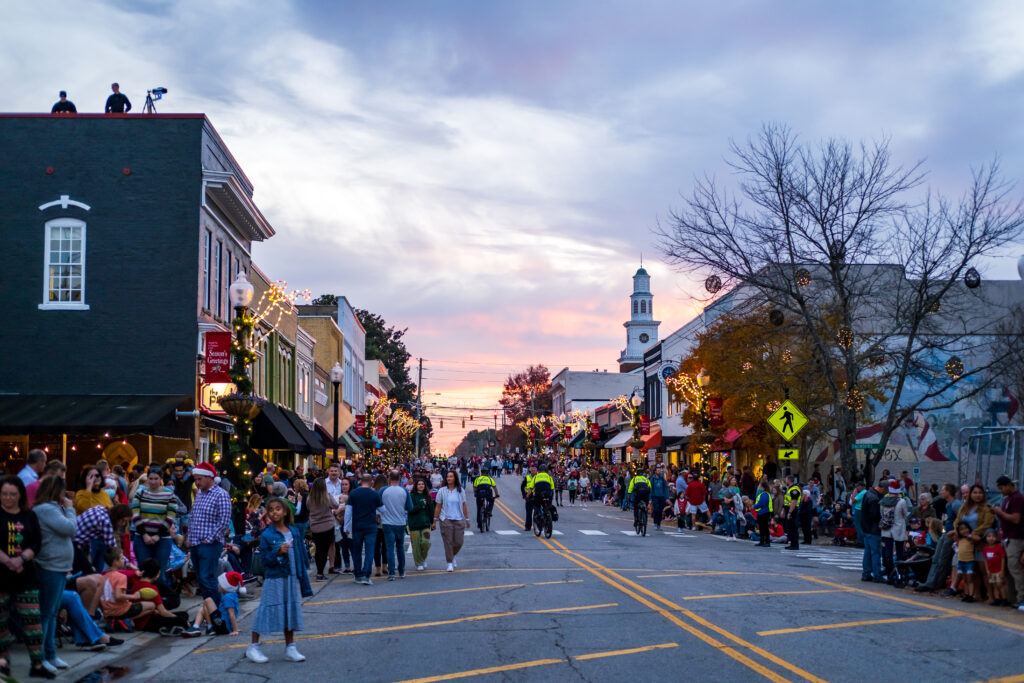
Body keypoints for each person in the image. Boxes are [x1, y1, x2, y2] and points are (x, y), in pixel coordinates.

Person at [246, 497, 311, 663]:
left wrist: (303, 575)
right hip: (275, 577)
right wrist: (277, 553)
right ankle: (254, 647)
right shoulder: (267, 535)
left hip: (290, 576)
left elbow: (301, 554)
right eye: (271, 509)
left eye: (278, 508)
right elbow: (265, 560)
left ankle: (290, 647)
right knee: (266, 609)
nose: (274, 512)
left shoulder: (294, 531)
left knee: (289, 610)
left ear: (285, 511)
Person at [32, 475, 77, 675]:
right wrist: (70, 508)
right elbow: (70, 528)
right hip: (50, 566)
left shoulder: (52, 509)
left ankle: (50, 654)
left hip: (58, 566)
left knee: (52, 613)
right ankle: (41, 657)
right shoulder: (46, 510)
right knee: (46, 613)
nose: (65, 494)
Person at [187, 463, 232, 609]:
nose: (197, 482)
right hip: (195, 542)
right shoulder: (200, 494)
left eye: (199, 479)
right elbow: (194, 516)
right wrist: (189, 537)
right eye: (196, 479)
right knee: (201, 579)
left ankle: (219, 611)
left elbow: (224, 521)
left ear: (209, 478)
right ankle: (209, 611)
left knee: (208, 578)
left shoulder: (221, 495)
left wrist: (210, 539)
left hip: (210, 544)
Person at [131, 465, 178, 583]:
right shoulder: (140, 493)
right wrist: (144, 535)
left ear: (161, 479)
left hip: (163, 539)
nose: (153, 481)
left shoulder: (169, 495)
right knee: (144, 572)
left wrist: (158, 535)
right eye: (150, 478)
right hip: (141, 538)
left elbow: (170, 516)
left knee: (159, 573)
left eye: (156, 478)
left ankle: (158, 599)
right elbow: (135, 515)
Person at [990, 475, 1024, 609]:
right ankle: (1011, 597)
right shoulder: (1008, 499)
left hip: (1016, 538)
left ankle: (1022, 597)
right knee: (1009, 569)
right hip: (1007, 537)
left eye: (1002, 487)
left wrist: (1000, 512)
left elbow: (1016, 519)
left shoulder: (1017, 498)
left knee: (1015, 569)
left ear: (1009, 485)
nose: (1001, 491)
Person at [183, 571, 245, 637]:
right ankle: (197, 627)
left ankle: (207, 627)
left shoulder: (228, 597)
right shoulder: (231, 595)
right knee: (203, 608)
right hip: (222, 625)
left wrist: (235, 630)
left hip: (223, 626)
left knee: (208, 600)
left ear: (225, 587)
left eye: (219, 583)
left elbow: (231, 614)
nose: (217, 585)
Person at [348, 474, 383, 585]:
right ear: (371, 482)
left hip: (357, 525)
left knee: (357, 550)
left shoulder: (353, 493)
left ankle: (357, 573)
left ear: (360, 481)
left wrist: (346, 526)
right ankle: (366, 575)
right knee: (369, 550)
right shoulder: (374, 494)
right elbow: (383, 509)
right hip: (371, 525)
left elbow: (348, 512)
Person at [433, 471, 469, 572]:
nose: (449, 478)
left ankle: (452, 556)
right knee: (448, 542)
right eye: (447, 477)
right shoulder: (442, 491)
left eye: (451, 477)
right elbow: (438, 506)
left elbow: (464, 505)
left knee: (459, 542)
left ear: (455, 478)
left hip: (458, 519)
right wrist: (435, 520)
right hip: (446, 519)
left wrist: (467, 519)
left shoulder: (460, 490)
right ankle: (449, 562)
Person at [306, 477, 339, 581]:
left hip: (315, 526)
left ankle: (319, 572)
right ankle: (320, 573)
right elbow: (336, 505)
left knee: (318, 550)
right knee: (325, 550)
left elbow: (308, 508)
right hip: (327, 526)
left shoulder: (310, 498)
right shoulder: (327, 497)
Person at [380, 471, 410, 580]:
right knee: (400, 547)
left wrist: (383, 512)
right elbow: (409, 507)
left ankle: (391, 573)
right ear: (400, 478)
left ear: (389, 478)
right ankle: (401, 571)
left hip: (387, 522)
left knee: (389, 548)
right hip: (400, 522)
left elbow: (378, 504)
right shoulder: (404, 491)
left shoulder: (383, 490)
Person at [879, 480, 910, 586]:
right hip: (898, 529)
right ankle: (899, 574)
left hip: (886, 529)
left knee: (888, 553)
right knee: (900, 552)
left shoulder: (883, 501)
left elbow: (881, 514)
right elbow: (905, 514)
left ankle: (889, 574)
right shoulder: (901, 501)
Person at [861, 479, 885, 582]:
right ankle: (877, 574)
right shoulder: (875, 499)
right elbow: (875, 515)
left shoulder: (868, 494)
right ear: (883, 488)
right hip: (873, 529)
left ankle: (866, 573)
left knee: (868, 552)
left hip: (866, 528)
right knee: (875, 553)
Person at [408, 478, 433, 571]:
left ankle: (422, 558)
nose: (421, 486)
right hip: (414, 524)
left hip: (425, 524)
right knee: (416, 545)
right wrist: (421, 505)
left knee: (426, 543)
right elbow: (410, 510)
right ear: (416, 486)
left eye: (422, 484)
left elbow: (431, 510)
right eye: (419, 484)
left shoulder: (428, 496)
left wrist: (433, 522)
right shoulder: (411, 496)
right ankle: (419, 563)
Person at [982, 529, 1008, 606]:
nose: (991, 538)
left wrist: (1002, 570)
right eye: (989, 536)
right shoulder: (985, 548)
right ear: (985, 538)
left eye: (993, 536)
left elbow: (1003, 558)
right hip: (991, 570)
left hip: (998, 570)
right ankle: (997, 599)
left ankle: (1004, 598)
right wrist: (987, 570)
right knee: (994, 585)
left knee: (999, 584)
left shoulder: (999, 547)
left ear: (996, 538)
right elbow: (985, 560)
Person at [955, 521, 977, 603]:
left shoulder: (970, 538)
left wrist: (970, 535)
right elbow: (949, 534)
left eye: (966, 528)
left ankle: (971, 595)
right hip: (961, 561)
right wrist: (956, 530)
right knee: (965, 579)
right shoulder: (959, 539)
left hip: (969, 561)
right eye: (961, 529)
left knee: (970, 579)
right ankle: (966, 594)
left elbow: (977, 539)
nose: (964, 530)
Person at [782, 475, 802, 550]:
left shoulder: (794, 489)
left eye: (786, 479)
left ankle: (795, 545)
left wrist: (790, 512)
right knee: (789, 528)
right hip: (789, 509)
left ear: (789, 480)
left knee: (793, 528)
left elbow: (794, 501)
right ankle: (792, 544)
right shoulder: (789, 488)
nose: (785, 481)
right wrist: (784, 510)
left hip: (793, 510)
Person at [754, 480, 773, 546]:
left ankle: (767, 541)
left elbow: (761, 503)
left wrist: (754, 506)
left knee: (764, 527)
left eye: (759, 485)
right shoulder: (765, 493)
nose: (758, 486)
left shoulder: (764, 494)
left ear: (762, 486)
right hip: (763, 512)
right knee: (762, 527)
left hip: (763, 512)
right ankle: (762, 541)